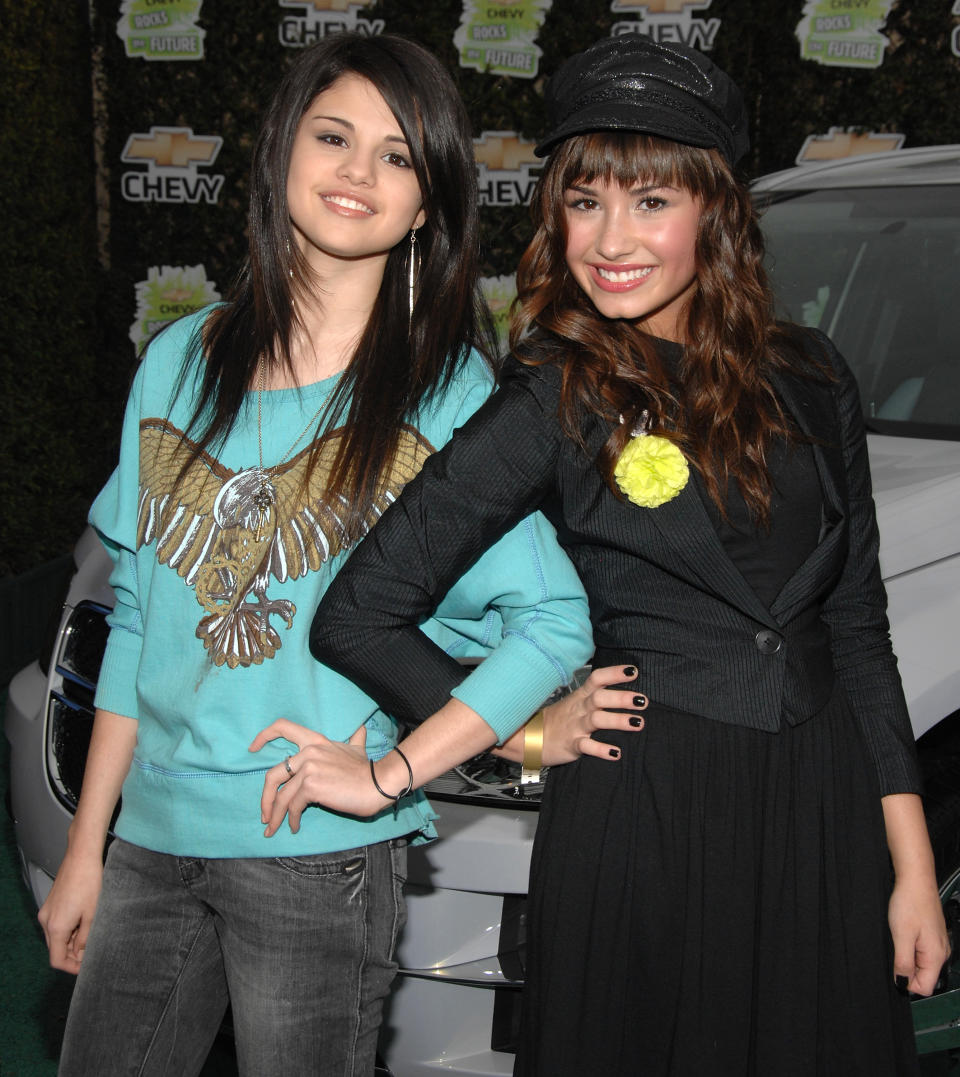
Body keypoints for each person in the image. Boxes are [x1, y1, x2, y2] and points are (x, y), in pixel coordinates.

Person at [267, 33, 950, 1077]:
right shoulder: (555, 393)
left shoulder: (815, 375)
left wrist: (909, 869)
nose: (609, 238)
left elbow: (855, 626)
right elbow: (362, 609)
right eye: (584, 201)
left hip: (817, 819)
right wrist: (524, 734)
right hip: (649, 817)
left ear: (714, 214)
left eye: (650, 202)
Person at [36, 32, 607, 1077]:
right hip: (151, 846)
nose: (359, 172)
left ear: (429, 203)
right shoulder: (178, 361)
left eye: (398, 156)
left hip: (320, 862)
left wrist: (393, 771)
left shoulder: (447, 398)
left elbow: (553, 622)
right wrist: (89, 855)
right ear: (279, 156)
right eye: (334, 136)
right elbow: (141, 625)